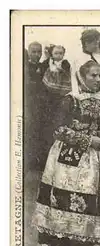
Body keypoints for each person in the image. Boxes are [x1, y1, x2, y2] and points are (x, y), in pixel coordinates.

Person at [31, 60, 100, 246]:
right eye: (94, 76)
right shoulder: (71, 100)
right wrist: (89, 140)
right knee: (70, 204)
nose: (99, 80)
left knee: (91, 204)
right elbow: (59, 130)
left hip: (95, 161)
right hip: (69, 160)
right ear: (81, 77)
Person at [25, 41, 48, 171]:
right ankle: (30, 161)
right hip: (29, 104)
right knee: (30, 132)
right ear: (28, 52)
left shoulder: (43, 67)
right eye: (33, 51)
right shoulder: (25, 67)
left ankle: (39, 161)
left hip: (41, 105)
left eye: (39, 52)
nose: (36, 54)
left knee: (41, 131)